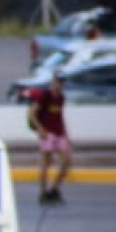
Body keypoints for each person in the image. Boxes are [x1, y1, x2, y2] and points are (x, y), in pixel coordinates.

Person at [28, 73, 71, 205]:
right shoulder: (45, 95)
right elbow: (32, 113)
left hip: (58, 133)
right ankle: (43, 193)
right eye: (58, 81)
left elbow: (59, 116)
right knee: (46, 163)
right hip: (47, 133)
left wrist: (65, 133)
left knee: (66, 161)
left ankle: (54, 189)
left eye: (61, 82)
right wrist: (40, 129)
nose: (59, 84)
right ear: (53, 81)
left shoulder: (61, 98)